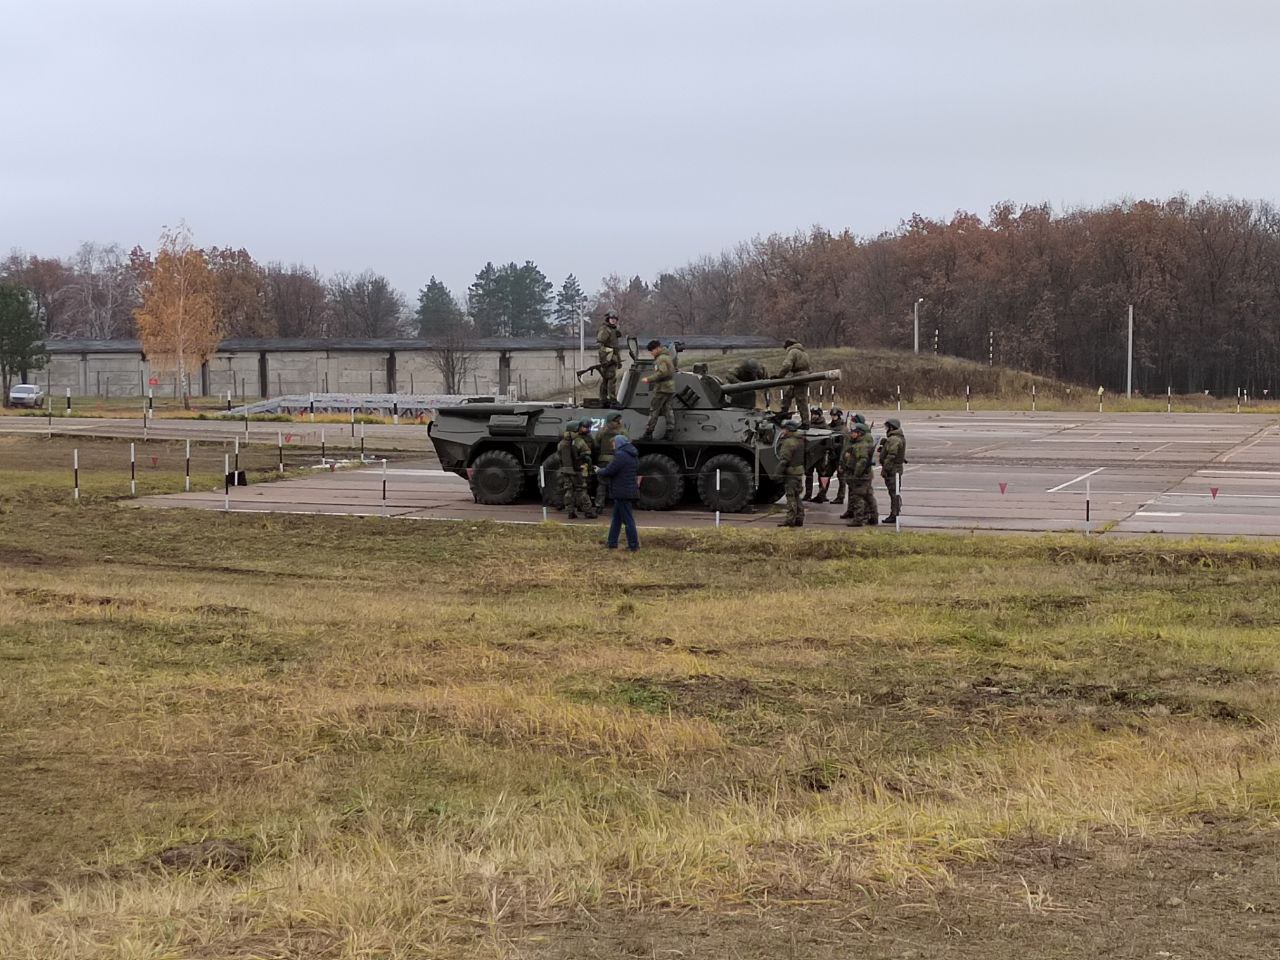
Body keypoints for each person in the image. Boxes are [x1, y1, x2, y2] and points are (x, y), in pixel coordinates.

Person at [597, 433, 640, 550]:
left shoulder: (621, 455)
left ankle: (633, 545)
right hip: (626, 490)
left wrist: (599, 470)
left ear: (619, 443)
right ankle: (612, 543)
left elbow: (610, 470)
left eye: (614, 443)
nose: (613, 446)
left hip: (622, 491)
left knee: (628, 520)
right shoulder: (632, 454)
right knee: (616, 519)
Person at [840, 421, 879, 526]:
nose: (851, 434)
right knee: (869, 497)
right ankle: (874, 517)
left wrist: (856, 475)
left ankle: (858, 519)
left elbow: (861, 462)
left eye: (854, 432)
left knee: (858, 497)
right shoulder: (860, 444)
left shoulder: (860, 446)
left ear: (859, 433)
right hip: (865, 475)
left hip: (860, 476)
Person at [557, 418, 597, 519]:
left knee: (569, 491)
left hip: (566, 470)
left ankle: (570, 512)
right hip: (577, 470)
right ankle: (588, 512)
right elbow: (588, 453)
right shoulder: (578, 441)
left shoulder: (562, 443)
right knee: (582, 491)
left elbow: (559, 457)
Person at [640, 339, 677, 440]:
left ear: (657, 348)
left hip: (662, 388)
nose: (651, 353)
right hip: (669, 388)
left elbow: (662, 372)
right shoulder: (667, 356)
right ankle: (670, 432)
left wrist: (649, 379)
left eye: (652, 351)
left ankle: (648, 433)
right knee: (667, 409)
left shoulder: (661, 359)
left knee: (654, 410)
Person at [776, 419, 806, 527]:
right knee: (797, 496)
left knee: (790, 496)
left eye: (785, 429)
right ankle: (799, 518)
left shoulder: (789, 442)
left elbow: (784, 460)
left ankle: (790, 519)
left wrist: (777, 474)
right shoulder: (800, 439)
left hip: (791, 473)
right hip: (799, 471)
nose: (783, 431)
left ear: (789, 430)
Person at [592, 410, 625, 509]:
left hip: (603, 460)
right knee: (617, 483)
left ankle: (599, 505)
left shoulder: (602, 431)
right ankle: (616, 505)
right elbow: (626, 443)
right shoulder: (622, 431)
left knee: (602, 483)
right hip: (616, 460)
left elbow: (596, 445)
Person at [776, 338, 812, 420]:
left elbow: (787, 365)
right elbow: (809, 368)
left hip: (799, 377)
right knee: (788, 395)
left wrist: (780, 376)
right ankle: (784, 413)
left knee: (801, 400)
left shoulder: (793, 351)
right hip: (804, 375)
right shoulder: (804, 353)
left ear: (788, 346)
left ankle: (805, 422)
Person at [879, 418, 907, 523]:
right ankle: (895, 512)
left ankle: (894, 514)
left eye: (887, 427)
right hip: (894, 469)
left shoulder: (894, 439)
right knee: (894, 492)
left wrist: (885, 469)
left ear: (891, 427)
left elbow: (891, 456)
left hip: (893, 470)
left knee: (894, 492)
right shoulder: (895, 438)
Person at [596, 310, 622, 405]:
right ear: (608, 319)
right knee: (610, 379)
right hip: (607, 358)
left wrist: (618, 360)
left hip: (613, 358)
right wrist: (605, 358)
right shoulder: (605, 329)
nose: (613, 320)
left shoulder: (613, 330)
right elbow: (600, 344)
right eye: (612, 319)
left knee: (607, 379)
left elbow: (616, 348)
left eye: (615, 319)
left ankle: (604, 399)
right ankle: (612, 399)